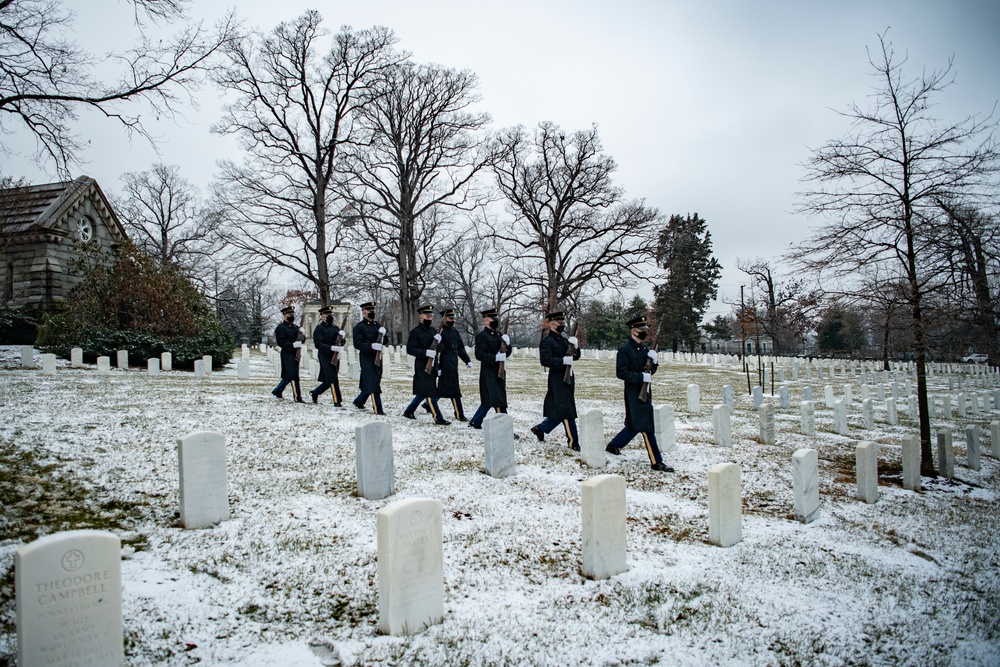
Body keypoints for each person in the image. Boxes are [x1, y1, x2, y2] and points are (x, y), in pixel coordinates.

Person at [606, 315, 674, 472]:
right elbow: (621, 372)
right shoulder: (625, 350)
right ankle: (656, 461)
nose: (644, 333)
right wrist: (640, 377)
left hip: (645, 391)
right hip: (633, 391)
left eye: (645, 330)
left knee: (634, 424)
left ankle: (614, 445)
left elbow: (649, 372)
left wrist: (654, 363)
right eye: (641, 330)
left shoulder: (645, 350)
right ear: (633, 331)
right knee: (646, 426)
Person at [530, 310, 581, 450]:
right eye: (560, 323)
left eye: (563, 323)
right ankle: (573, 442)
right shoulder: (547, 341)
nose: (562, 325)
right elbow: (545, 360)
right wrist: (562, 361)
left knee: (562, 408)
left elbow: (574, 357)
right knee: (566, 410)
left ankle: (540, 429)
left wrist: (576, 347)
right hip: (558, 377)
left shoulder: (564, 340)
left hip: (569, 376)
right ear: (552, 325)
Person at [403, 304, 450, 424]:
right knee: (429, 392)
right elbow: (410, 349)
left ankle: (409, 411)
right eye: (427, 316)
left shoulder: (434, 331)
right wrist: (425, 352)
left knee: (423, 392)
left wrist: (439, 343)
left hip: (433, 365)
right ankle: (438, 418)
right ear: (421, 317)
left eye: (431, 316)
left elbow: (442, 349)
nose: (429, 318)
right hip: (422, 365)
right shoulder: (415, 332)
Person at [468, 307, 511, 429]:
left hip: (500, 370)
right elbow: (479, 355)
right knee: (498, 400)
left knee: (488, 400)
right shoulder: (482, 336)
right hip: (489, 372)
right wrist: (495, 358)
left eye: (496, 318)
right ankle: (504, 428)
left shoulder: (499, 335)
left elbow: (507, 352)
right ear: (486, 321)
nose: (496, 320)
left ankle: (475, 421)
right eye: (493, 318)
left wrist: (508, 345)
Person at [437, 307, 472, 421]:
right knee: (452, 388)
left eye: (453, 318)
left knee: (448, 387)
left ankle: (429, 403)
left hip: (453, 361)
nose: (453, 320)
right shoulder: (440, 331)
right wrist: (437, 367)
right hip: (445, 361)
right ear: (444, 318)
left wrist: (466, 360)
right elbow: (436, 350)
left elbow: (460, 347)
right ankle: (459, 414)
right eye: (450, 318)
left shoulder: (454, 331)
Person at [352, 302, 386, 415]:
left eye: (372, 311)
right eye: (369, 311)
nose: (371, 313)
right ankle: (378, 409)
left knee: (374, 380)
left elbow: (386, 341)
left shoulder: (377, 326)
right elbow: (357, 344)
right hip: (366, 357)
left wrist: (384, 337)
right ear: (364, 312)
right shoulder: (359, 327)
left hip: (377, 357)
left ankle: (359, 401)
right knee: (372, 382)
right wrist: (371, 346)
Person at [309, 306, 344, 406]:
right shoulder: (319, 329)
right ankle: (337, 401)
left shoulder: (335, 328)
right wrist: (331, 348)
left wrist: (342, 338)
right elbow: (318, 344)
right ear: (322, 316)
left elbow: (341, 342)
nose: (330, 317)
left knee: (330, 379)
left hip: (335, 355)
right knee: (332, 378)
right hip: (325, 355)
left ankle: (315, 392)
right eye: (327, 315)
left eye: (330, 315)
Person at [271, 305, 305, 402]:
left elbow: (302, 339)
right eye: (290, 314)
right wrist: (292, 345)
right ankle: (297, 397)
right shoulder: (281, 328)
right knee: (293, 375)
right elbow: (281, 342)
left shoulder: (295, 328)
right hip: (287, 353)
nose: (292, 316)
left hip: (296, 353)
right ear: (284, 315)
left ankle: (277, 391)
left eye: (293, 314)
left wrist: (302, 336)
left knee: (289, 375)